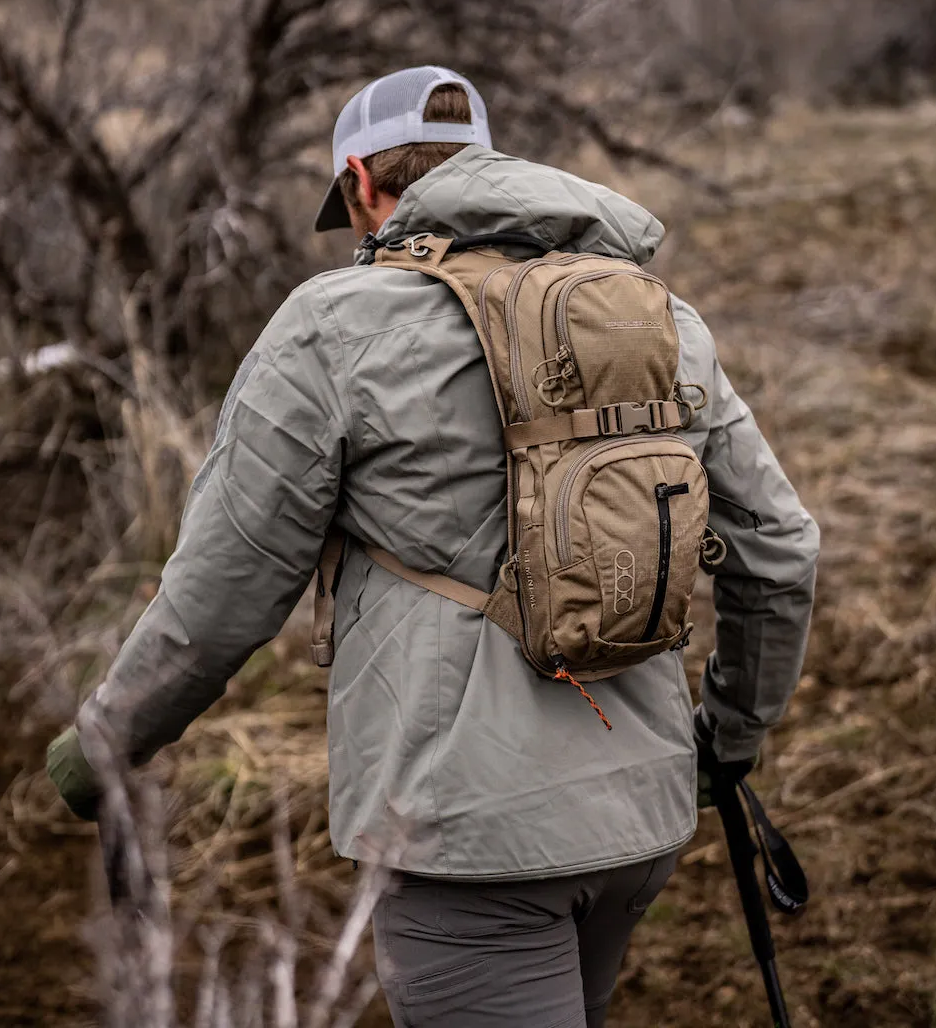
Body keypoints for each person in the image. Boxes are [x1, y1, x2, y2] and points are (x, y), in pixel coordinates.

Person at [47, 65, 819, 1027]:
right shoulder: (659, 319)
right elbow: (781, 552)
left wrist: (105, 745)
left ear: (364, 183)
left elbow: (221, 596)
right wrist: (727, 745)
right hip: (641, 814)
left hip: (466, 841)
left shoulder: (331, 329)